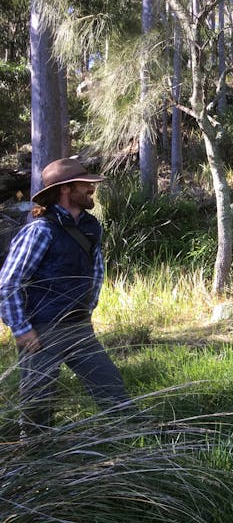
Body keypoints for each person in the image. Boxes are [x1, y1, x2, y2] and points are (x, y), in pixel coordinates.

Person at [0, 157, 129, 435]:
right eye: (86, 184)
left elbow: (96, 272)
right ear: (66, 189)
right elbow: (8, 283)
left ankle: (138, 443)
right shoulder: (40, 230)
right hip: (41, 332)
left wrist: (86, 310)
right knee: (37, 407)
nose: (92, 188)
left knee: (113, 391)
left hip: (79, 328)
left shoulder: (90, 227)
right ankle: (35, 461)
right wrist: (22, 330)